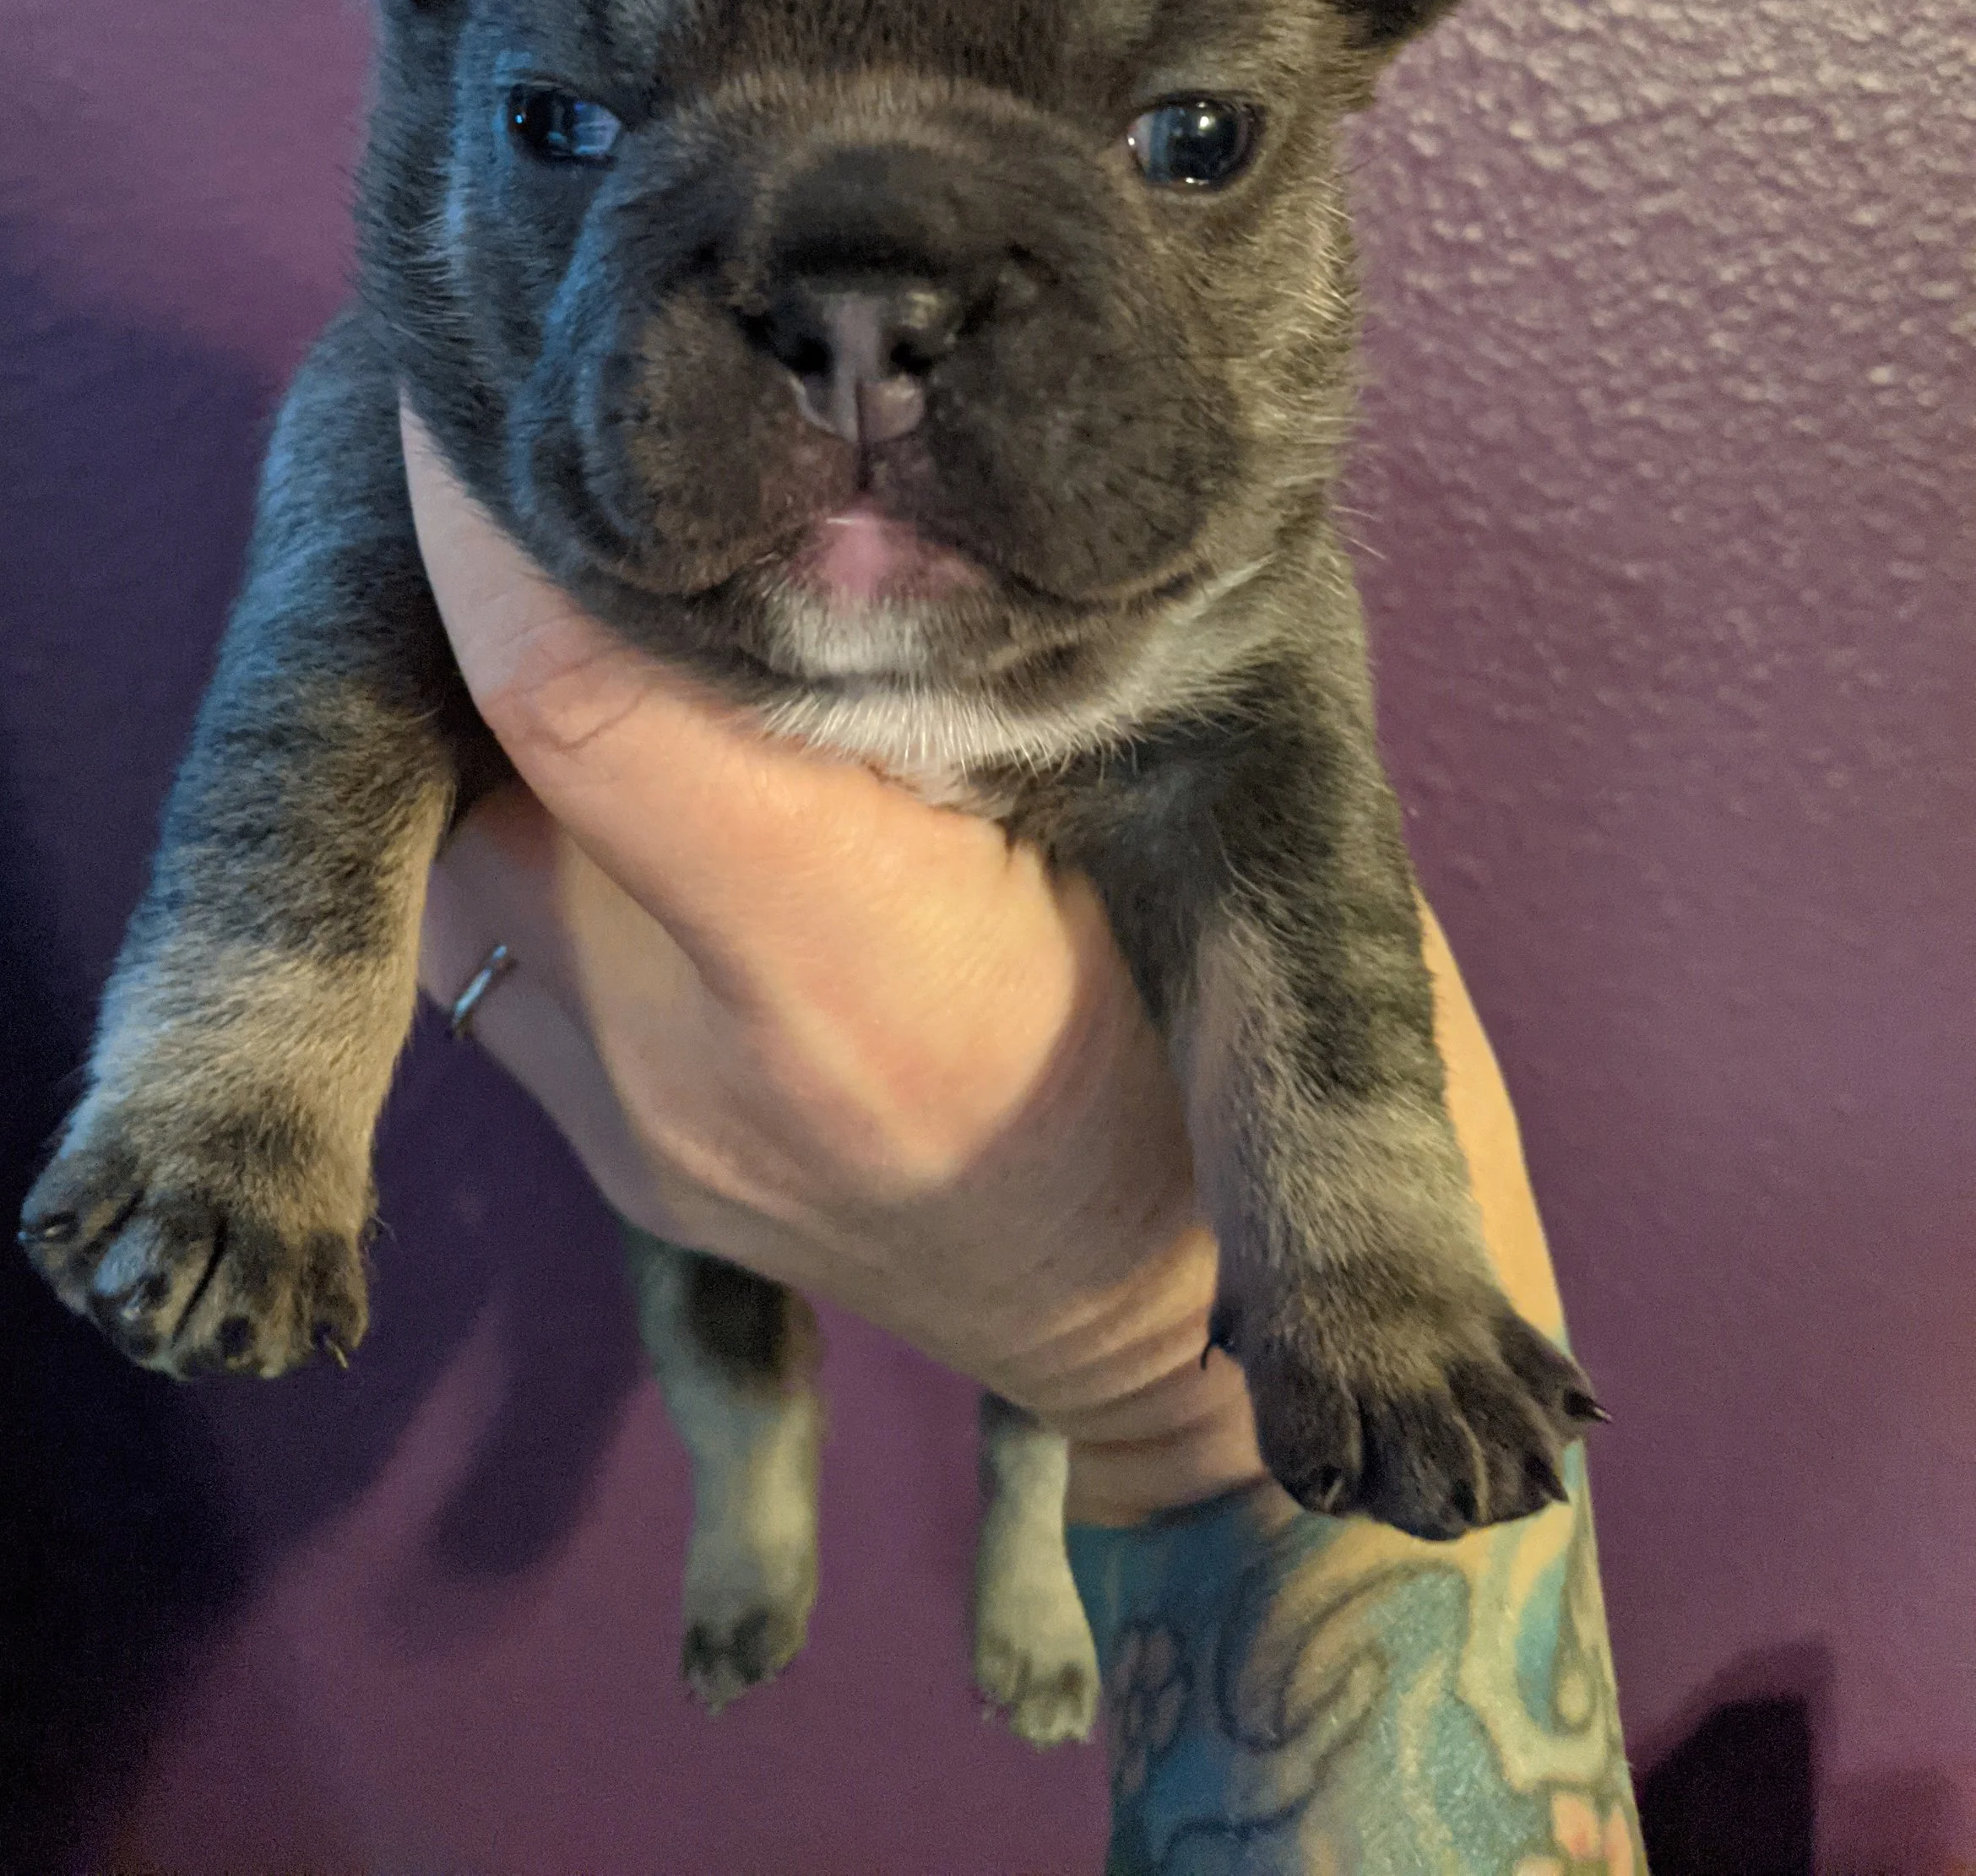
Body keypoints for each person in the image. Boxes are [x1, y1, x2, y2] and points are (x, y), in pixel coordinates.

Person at [403, 412, 1647, 1874]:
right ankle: (753, 1469)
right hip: (664, 967)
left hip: (1147, 1163)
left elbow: (1256, 769)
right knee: (690, 1246)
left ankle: (1021, 1519)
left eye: (1179, 157)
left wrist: (1154, 1374)